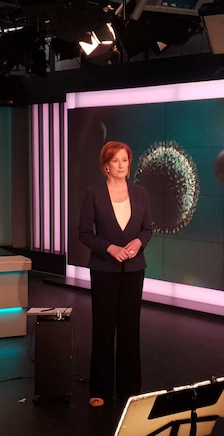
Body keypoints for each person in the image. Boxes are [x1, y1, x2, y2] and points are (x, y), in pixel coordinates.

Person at [78, 140, 153, 408]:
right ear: (106, 165)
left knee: (130, 329)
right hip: (104, 269)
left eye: (125, 160)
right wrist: (109, 247)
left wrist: (138, 243)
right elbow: (84, 233)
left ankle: (130, 387)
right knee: (104, 329)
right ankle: (100, 387)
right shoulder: (93, 194)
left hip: (134, 269)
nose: (122, 165)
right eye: (116, 160)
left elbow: (147, 229)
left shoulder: (141, 193)